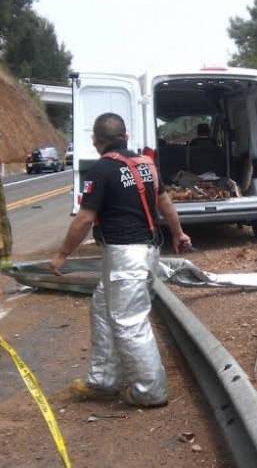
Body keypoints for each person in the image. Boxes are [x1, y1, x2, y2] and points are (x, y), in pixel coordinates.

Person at [50, 113, 191, 407]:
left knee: (129, 322)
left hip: (126, 257)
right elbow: (164, 201)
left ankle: (150, 391)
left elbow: (84, 218)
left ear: (95, 141)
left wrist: (62, 255)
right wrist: (178, 233)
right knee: (102, 308)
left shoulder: (100, 170)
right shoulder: (146, 164)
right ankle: (103, 380)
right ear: (125, 137)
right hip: (143, 252)